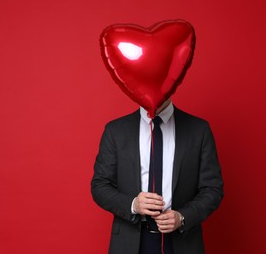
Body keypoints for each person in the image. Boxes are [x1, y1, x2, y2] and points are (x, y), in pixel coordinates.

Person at [91, 99, 224, 254]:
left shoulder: (199, 130)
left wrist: (182, 217)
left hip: (182, 242)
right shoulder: (115, 131)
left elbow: (213, 189)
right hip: (130, 242)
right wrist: (133, 205)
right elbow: (99, 186)